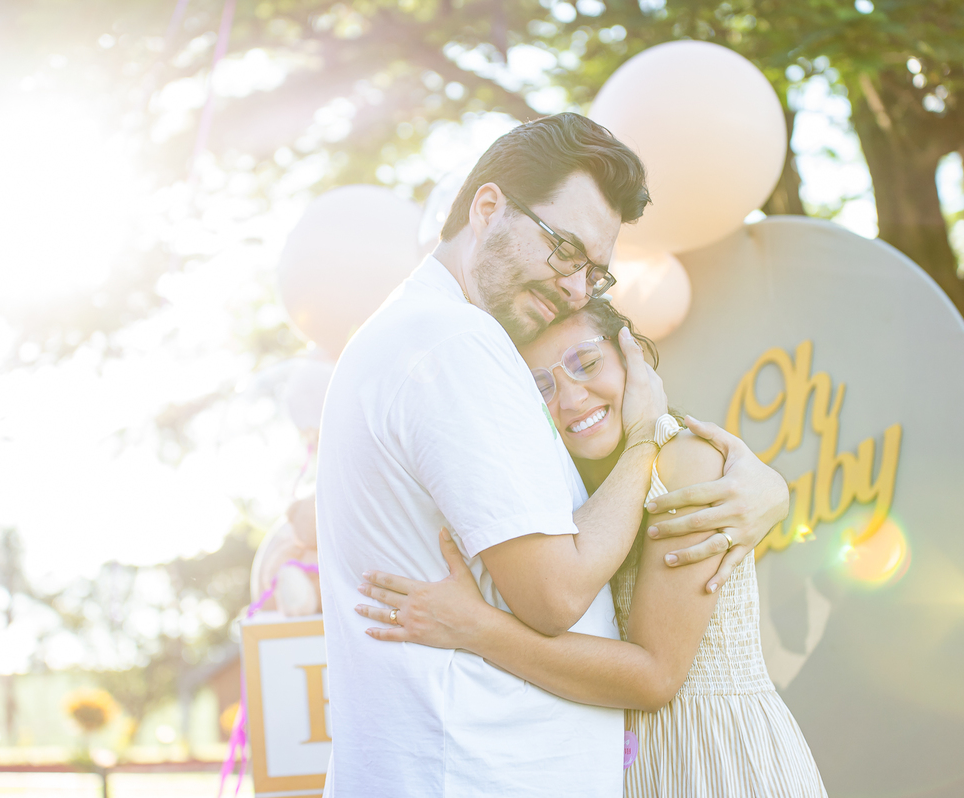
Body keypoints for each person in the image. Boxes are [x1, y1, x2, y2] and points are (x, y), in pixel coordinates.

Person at [315, 112, 789, 797]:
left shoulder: (437, 335)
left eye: (594, 273)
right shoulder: (452, 344)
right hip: (467, 774)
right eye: (566, 250)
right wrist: (644, 438)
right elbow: (556, 595)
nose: (574, 286)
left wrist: (765, 485)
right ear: (488, 208)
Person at [356, 300, 828, 797]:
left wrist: (475, 628)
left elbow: (654, 677)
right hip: (620, 764)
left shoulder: (684, 463)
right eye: (541, 385)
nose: (572, 397)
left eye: (586, 362)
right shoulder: (560, 488)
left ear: (632, 356)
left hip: (712, 758)